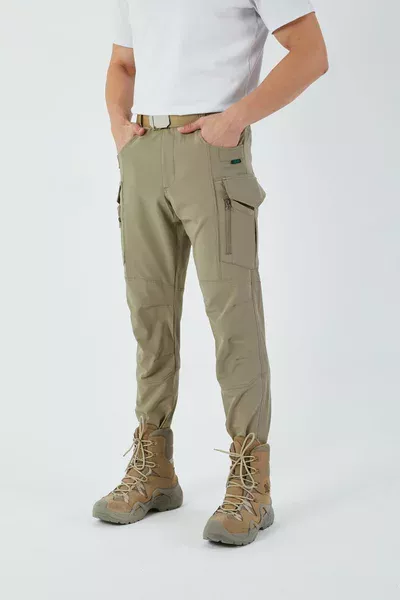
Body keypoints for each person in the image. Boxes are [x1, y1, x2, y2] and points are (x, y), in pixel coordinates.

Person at [93, 0, 328, 545]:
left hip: (212, 151)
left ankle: (252, 484)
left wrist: (235, 119)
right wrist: (118, 127)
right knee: (148, 316)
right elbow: (123, 63)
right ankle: (154, 467)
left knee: (233, 318)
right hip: (142, 151)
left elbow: (311, 54)